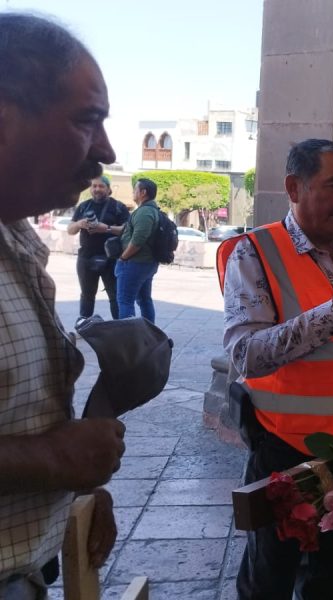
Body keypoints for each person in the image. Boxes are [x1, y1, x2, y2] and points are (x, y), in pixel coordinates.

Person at [0, 13, 126, 597]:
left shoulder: (15, 232)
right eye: (86, 120)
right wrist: (53, 459)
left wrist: (76, 488)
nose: (105, 150)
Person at [220, 139, 333, 599]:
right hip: (282, 448)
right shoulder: (253, 251)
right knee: (269, 579)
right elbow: (246, 354)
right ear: (294, 187)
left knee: (329, 576)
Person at [67, 175, 129, 324]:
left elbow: (128, 230)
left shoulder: (118, 207)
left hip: (111, 259)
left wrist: (106, 228)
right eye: (94, 186)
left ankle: (120, 327)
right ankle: (84, 326)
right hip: (86, 257)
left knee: (114, 295)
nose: (97, 189)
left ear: (108, 189)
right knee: (87, 295)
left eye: (101, 186)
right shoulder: (84, 206)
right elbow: (70, 229)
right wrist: (79, 224)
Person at [115, 178, 160, 322]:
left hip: (136, 263)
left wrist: (123, 258)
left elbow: (138, 240)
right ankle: (149, 332)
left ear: (143, 193)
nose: (133, 193)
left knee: (125, 301)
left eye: (135, 189)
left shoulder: (144, 212)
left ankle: (129, 334)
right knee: (144, 300)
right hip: (145, 263)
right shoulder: (151, 210)